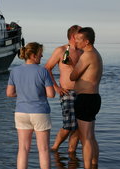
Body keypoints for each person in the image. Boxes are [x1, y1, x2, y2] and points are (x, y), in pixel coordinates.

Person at [6, 42, 55, 169]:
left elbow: (9, 93)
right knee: (44, 149)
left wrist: (22, 94)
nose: (42, 56)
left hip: (21, 112)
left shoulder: (15, 71)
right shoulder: (43, 71)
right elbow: (51, 94)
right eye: (40, 54)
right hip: (39, 112)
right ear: (33, 56)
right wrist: (38, 93)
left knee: (23, 148)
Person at [70, 27, 103, 169]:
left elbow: (73, 76)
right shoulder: (96, 54)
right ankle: (94, 165)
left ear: (87, 41)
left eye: (78, 39)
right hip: (94, 98)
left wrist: (72, 64)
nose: (75, 41)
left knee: (86, 138)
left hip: (85, 98)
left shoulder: (87, 55)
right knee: (91, 135)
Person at [45, 25, 82, 153]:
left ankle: (72, 152)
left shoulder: (83, 51)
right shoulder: (61, 50)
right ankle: (55, 148)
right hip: (67, 92)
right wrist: (56, 87)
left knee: (79, 127)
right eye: (81, 33)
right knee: (69, 126)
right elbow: (47, 68)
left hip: (82, 93)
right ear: (73, 36)